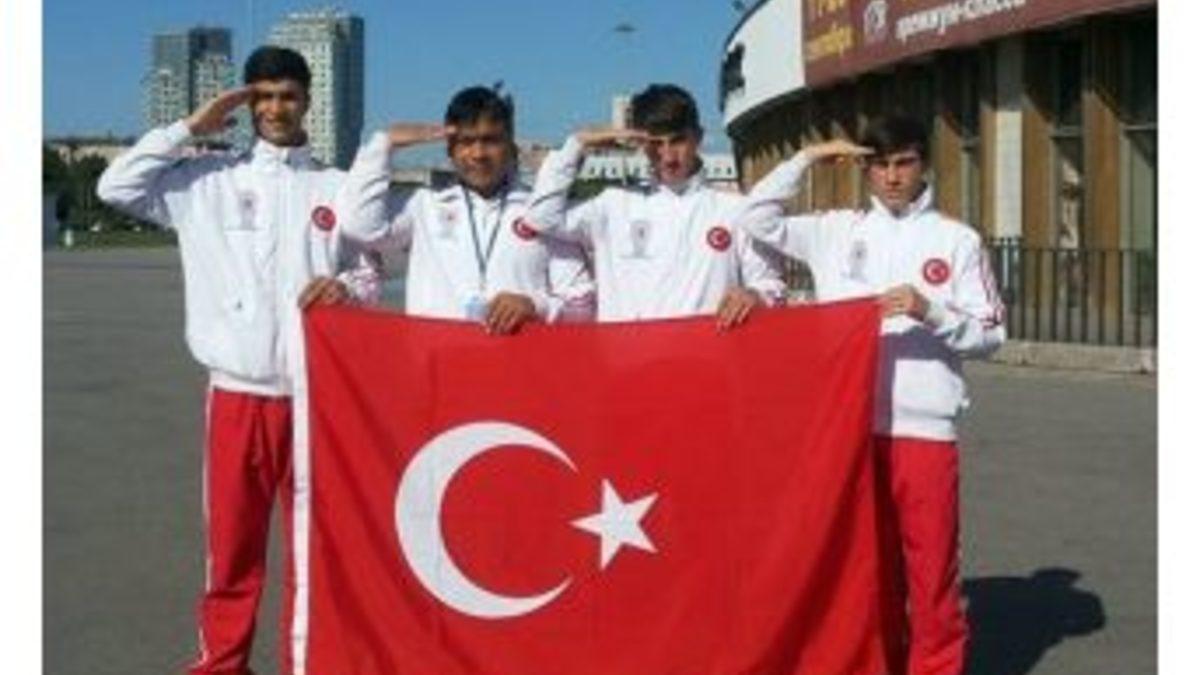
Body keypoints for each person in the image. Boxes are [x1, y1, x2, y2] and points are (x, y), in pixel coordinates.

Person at [97, 46, 380, 675]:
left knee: (313, 551)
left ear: (308, 100)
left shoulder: (336, 186)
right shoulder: (204, 179)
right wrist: (189, 127)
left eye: (288, 96)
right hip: (237, 395)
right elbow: (113, 187)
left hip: (315, 401)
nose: (277, 109)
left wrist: (346, 289)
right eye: (264, 97)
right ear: (249, 104)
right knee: (231, 549)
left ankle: (307, 663)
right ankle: (222, 664)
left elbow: (367, 270)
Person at [734, 113, 1007, 675]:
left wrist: (931, 311)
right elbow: (755, 217)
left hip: (923, 431)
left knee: (931, 572)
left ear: (924, 164)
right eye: (879, 165)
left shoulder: (956, 240)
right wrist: (808, 158)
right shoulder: (836, 230)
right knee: (866, 573)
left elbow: (992, 334)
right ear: (866, 170)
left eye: (903, 163)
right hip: (850, 432)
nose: (892, 176)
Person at [523, 83, 784, 325]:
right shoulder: (614, 205)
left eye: (677, 141)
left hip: (706, 357)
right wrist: (578, 144)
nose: (668, 157)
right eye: (656, 144)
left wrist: (754, 296)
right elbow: (540, 217)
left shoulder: (735, 210)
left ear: (698, 137)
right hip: (626, 357)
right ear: (641, 144)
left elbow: (771, 288)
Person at [339, 86, 594, 331]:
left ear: (509, 145)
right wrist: (384, 143)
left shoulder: (542, 214)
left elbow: (583, 306)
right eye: (466, 141)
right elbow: (359, 227)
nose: (478, 153)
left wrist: (536, 306)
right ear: (450, 149)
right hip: (437, 358)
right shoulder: (425, 207)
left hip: (517, 359)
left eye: (490, 140)